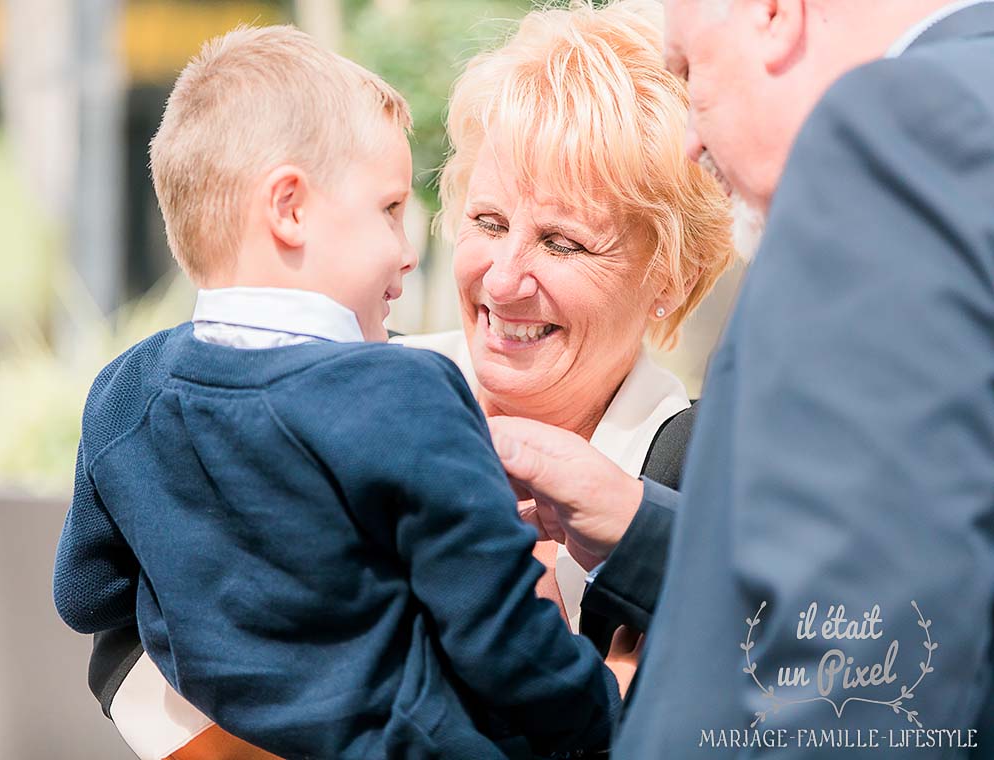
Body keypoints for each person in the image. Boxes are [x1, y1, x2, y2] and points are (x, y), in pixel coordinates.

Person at [79, 3, 738, 758]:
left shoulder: (702, 471)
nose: (504, 276)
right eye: (489, 223)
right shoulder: (338, 382)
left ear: (669, 275)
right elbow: (127, 614)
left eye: (562, 242)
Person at [492, 0, 994, 753]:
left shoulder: (896, 126)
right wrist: (636, 530)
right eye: (487, 222)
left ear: (774, 14)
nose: (689, 140)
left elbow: (870, 670)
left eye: (690, 70)